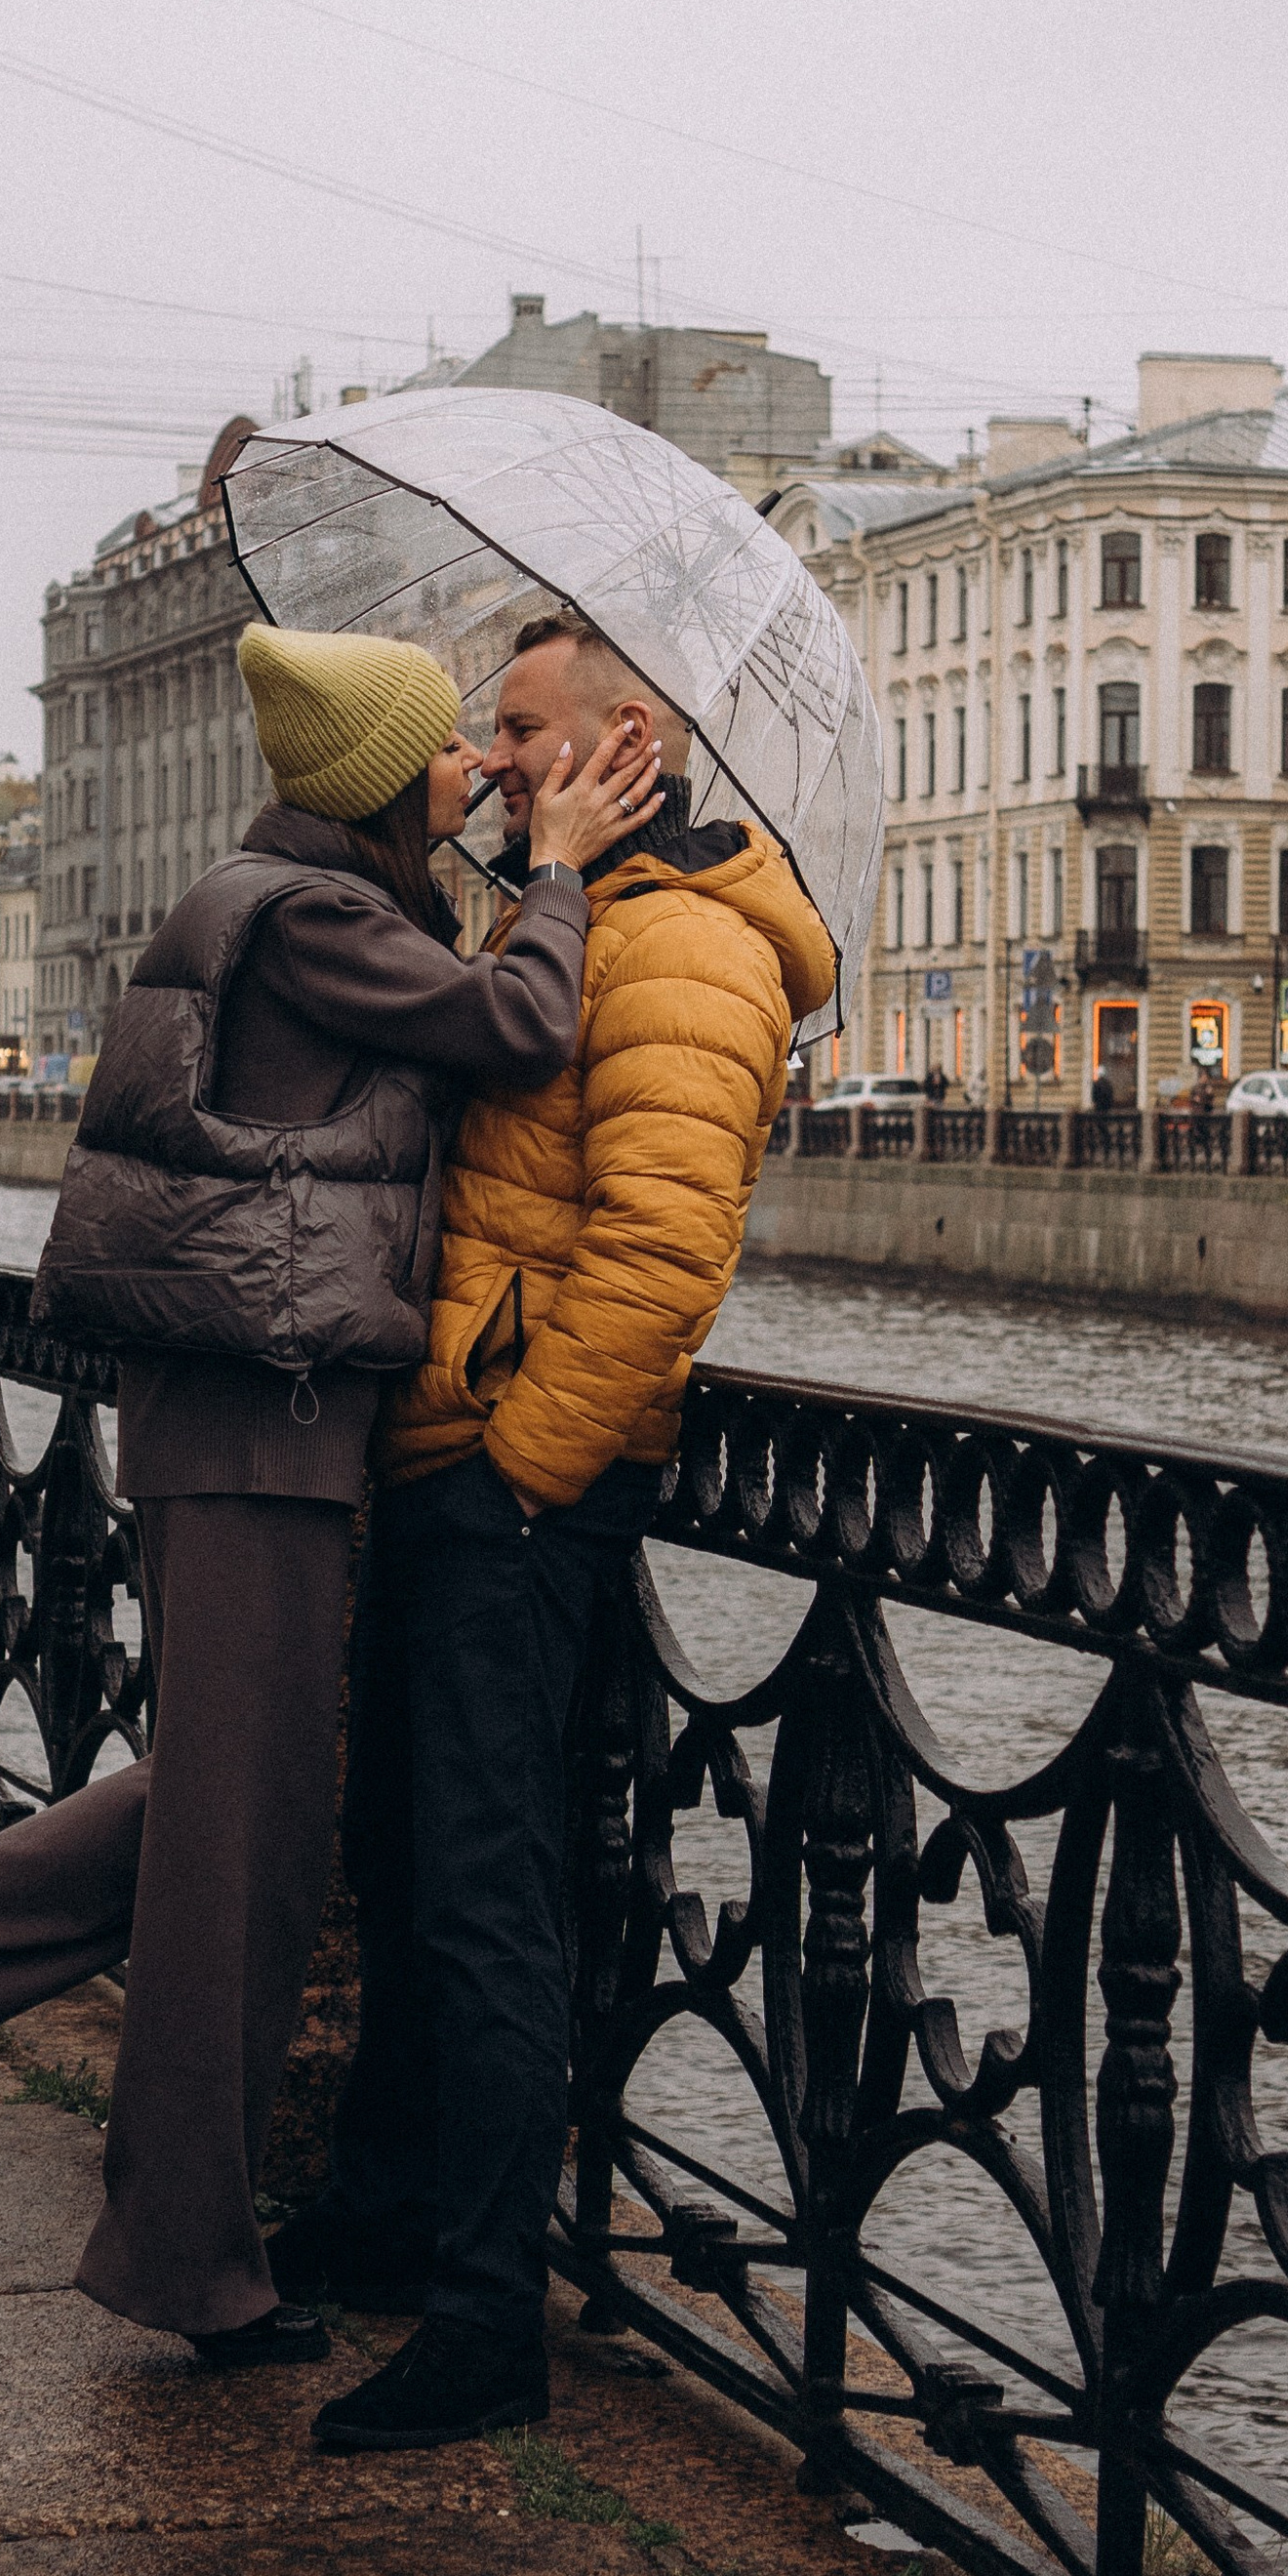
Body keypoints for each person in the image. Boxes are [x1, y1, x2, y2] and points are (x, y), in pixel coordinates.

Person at [0, 623, 659, 2369]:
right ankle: (184, 2257)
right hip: (255, 1416)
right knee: (244, 1844)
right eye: (447, 748)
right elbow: (526, 1025)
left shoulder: (300, 901)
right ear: (377, 779)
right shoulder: (311, 919)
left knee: (243, 1814)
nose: (478, 765)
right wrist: (557, 872)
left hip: (265, 1414)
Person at [293, 607, 837, 2454]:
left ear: (627, 745)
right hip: (452, 1455)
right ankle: (385, 2222)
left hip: (516, 1492)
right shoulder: (577, 911)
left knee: (488, 1901)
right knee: (409, 1866)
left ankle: (483, 2322)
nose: (493, 757)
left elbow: (662, 1256)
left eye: (521, 729)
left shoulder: (690, 945)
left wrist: (519, 1471)